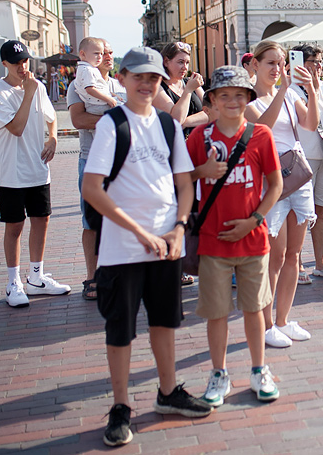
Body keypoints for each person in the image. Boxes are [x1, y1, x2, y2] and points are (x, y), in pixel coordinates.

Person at [81, 47, 210, 447]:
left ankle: (168, 392)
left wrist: (178, 228)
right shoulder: (112, 124)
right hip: (123, 248)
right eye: (138, 76)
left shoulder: (168, 127)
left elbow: (185, 183)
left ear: (161, 82)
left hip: (166, 245)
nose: (145, 84)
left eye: (153, 78)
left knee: (165, 321)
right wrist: (139, 232)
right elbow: (92, 189)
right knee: (120, 328)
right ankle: (120, 407)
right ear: (121, 79)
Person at [187, 66, 283, 407]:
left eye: (239, 95)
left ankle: (259, 369)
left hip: (253, 240)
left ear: (248, 99)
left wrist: (254, 219)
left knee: (255, 309)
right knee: (216, 312)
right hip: (213, 242)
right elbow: (180, 179)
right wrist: (202, 171)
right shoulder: (199, 138)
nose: (232, 101)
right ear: (211, 99)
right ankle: (219, 372)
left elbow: (275, 185)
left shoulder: (260, 135)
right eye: (224, 95)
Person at [247, 41, 319, 348]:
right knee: (273, 257)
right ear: (256, 66)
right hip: (271, 181)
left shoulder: (289, 93)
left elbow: (311, 125)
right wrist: (281, 92)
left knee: (294, 254)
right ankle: (265, 326)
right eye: (270, 63)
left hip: (297, 177)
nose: (277, 69)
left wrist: (312, 90)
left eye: (281, 63)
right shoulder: (250, 99)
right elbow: (262, 127)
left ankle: (283, 320)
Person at [0, 40, 67, 308]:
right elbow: (17, 128)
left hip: (37, 168)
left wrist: (53, 138)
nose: (22, 67)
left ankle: (36, 277)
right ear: (4, 63)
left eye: (25, 61)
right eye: (16, 62)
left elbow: (51, 116)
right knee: (15, 226)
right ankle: (13, 282)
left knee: (42, 220)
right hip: (11, 172)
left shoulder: (37, 86)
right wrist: (29, 93)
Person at [68, 40, 125, 301]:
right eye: (102, 53)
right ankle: (92, 277)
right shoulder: (78, 84)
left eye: (110, 52)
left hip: (121, 161)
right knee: (91, 221)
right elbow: (79, 120)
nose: (108, 56)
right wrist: (113, 118)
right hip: (92, 159)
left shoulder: (118, 85)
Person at [290, 44, 323, 282]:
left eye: (320, 61)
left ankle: (320, 262)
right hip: (304, 159)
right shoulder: (291, 91)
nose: (319, 66)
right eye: (314, 61)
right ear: (300, 63)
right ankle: (297, 265)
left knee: (322, 211)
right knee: (301, 214)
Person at [154, 42, 208, 137]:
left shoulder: (191, 83)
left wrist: (186, 122)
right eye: (180, 62)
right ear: (166, 62)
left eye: (187, 63)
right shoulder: (158, 87)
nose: (185, 67)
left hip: (201, 142)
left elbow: (213, 112)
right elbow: (176, 120)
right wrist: (188, 91)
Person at [74, 36, 119, 114]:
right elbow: (90, 89)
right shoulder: (87, 70)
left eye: (101, 54)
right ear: (83, 54)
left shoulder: (120, 85)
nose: (108, 57)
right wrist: (109, 99)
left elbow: (100, 89)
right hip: (99, 106)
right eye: (96, 53)